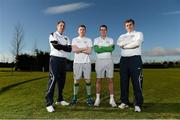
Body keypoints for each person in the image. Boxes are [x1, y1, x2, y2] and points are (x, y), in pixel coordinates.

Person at [117, 19, 144, 112]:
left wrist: (125, 46)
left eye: (130, 25)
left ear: (134, 25)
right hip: (123, 60)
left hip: (135, 59)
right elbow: (119, 44)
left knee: (137, 82)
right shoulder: (122, 36)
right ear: (125, 26)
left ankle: (137, 104)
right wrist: (129, 44)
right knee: (123, 82)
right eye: (127, 25)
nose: (129, 26)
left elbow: (137, 44)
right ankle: (124, 102)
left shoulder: (139, 34)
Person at [45, 20, 71, 112]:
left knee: (62, 81)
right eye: (61, 25)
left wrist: (62, 46)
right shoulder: (53, 34)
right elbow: (56, 45)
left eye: (64, 25)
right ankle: (49, 103)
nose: (62, 27)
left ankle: (60, 99)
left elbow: (70, 49)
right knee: (53, 79)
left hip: (64, 60)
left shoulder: (67, 38)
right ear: (57, 26)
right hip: (54, 59)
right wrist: (64, 47)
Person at [93, 25, 117, 107]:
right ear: (100, 31)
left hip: (109, 60)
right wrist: (106, 47)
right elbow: (96, 50)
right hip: (99, 61)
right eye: (101, 30)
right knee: (99, 80)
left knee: (110, 80)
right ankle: (97, 99)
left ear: (107, 31)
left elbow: (111, 49)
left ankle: (112, 99)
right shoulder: (96, 39)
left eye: (104, 30)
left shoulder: (111, 39)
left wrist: (102, 48)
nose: (103, 31)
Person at [71, 25, 94, 106]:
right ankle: (74, 98)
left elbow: (90, 51)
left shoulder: (89, 40)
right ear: (78, 31)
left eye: (83, 29)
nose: (82, 31)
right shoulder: (74, 39)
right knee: (76, 80)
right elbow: (74, 50)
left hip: (87, 62)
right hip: (77, 62)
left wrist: (79, 50)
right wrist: (85, 48)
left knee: (88, 80)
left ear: (85, 31)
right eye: (80, 29)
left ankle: (89, 98)